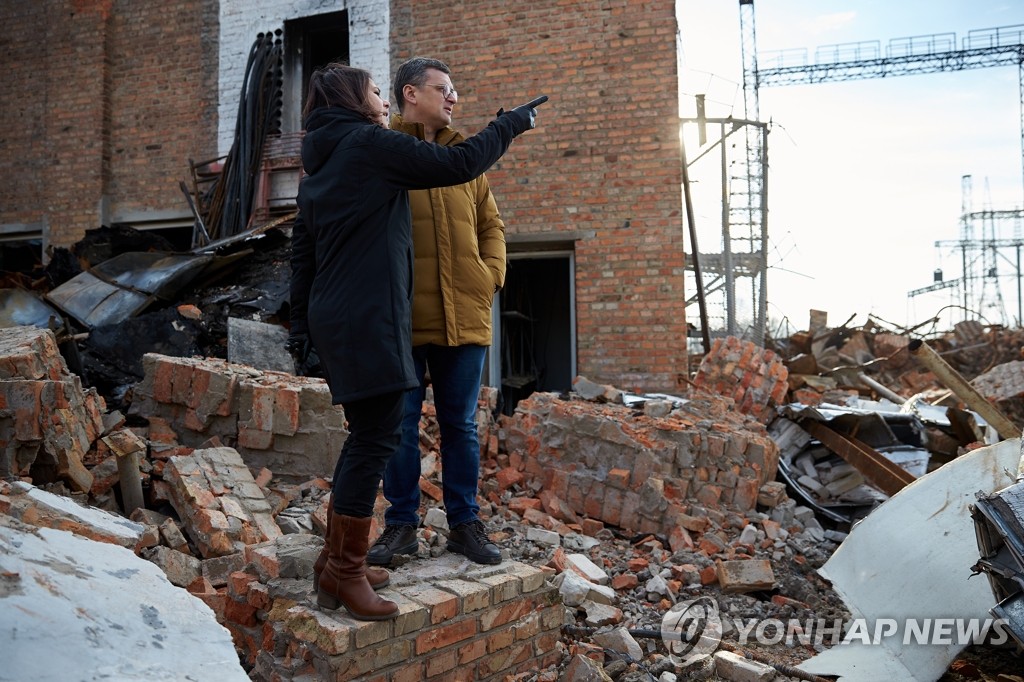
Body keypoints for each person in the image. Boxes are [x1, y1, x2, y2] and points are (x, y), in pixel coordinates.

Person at [288, 62, 543, 620]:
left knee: (373, 436)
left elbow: (302, 251)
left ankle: (338, 563)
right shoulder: (371, 145)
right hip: (373, 316)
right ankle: (348, 571)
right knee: (377, 438)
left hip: (348, 316)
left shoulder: (323, 159)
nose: (379, 98)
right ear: (361, 100)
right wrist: (510, 125)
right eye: (375, 91)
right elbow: (459, 162)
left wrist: (301, 328)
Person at [368, 57, 505, 567]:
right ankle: (400, 527)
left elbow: (493, 227)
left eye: (454, 91)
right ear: (410, 94)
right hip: (401, 322)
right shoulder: (386, 155)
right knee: (399, 427)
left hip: (464, 317)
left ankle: (464, 525)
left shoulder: (467, 162)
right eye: (443, 89)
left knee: (461, 427)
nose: (453, 99)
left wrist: (489, 275)